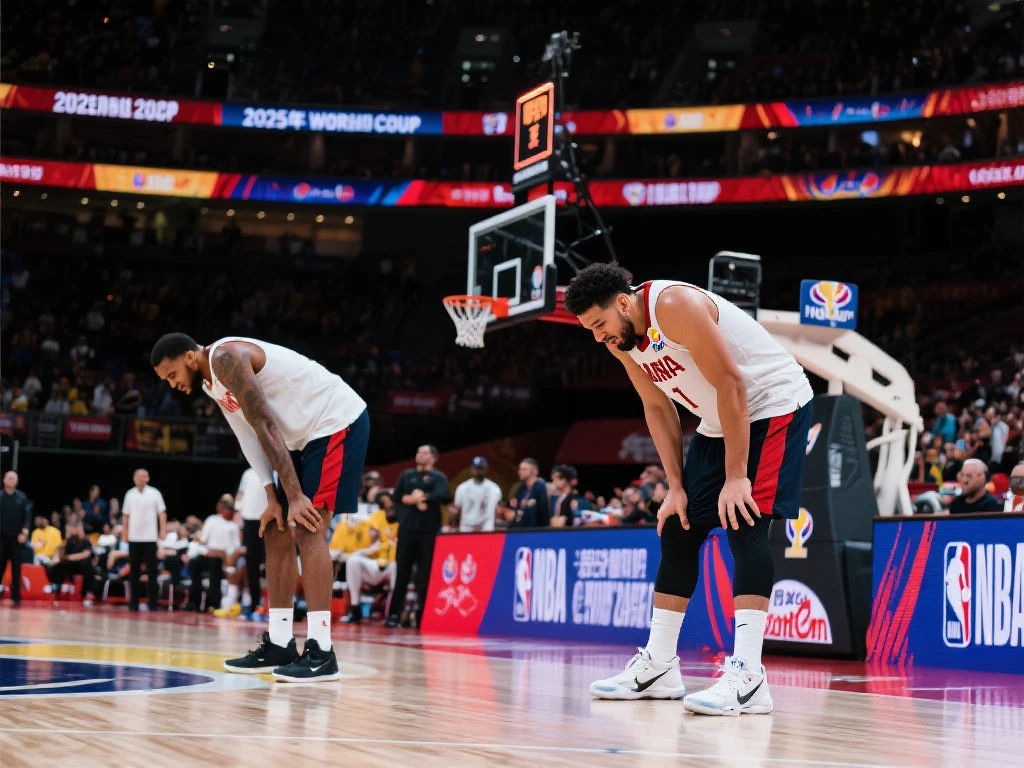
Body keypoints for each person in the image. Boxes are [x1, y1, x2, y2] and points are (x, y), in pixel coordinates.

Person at [565, 263, 813, 715]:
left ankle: (749, 677)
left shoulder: (673, 305)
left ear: (622, 302)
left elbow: (731, 382)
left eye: (599, 324)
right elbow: (657, 406)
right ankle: (660, 667)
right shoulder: (622, 340)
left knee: (744, 522)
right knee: (679, 529)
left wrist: (736, 477)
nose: (598, 337)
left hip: (773, 404)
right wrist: (675, 487)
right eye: (590, 331)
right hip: (721, 418)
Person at [151, 332, 369, 682]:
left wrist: (294, 496)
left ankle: (322, 652)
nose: (172, 384)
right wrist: (271, 495)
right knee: (275, 529)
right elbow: (247, 433)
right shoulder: (211, 383)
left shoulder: (225, 358)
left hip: (334, 420)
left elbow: (265, 423)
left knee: (308, 527)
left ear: (190, 357)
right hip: (299, 439)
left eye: (172, 374)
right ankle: (280, 642)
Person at [385, 444, 449, 629]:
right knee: (401, 574)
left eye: (424, 452)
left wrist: (421, 497)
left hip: (429, 532)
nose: (420, 455)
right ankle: (394, 615)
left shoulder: (438, 477)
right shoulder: (406, 475)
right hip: (407, 531)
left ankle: (422, 615)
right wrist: (409, 499)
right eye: (418, 452)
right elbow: (397, 497)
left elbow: (444, 496)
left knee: (425, 575)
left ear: (433, 457)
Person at [341, 492, 399, 624]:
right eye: (385, 502)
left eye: (390, 502)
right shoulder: (377, 516)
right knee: (353, 561)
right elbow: (372, 537)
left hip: (393, 564)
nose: (388, 505)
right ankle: (355, 609)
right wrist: (374, 539)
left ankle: (392, 614)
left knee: (395, 567)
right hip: (376, 562)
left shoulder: (403, 519)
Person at [122, 468, 167, 612]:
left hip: (150, 538)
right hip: (134, 538)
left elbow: (162, 513)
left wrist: (162, 530)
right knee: (134, 572)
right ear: (134, 478)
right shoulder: (130, 494)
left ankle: (153, 603)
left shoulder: (155, 493)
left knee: (151, 571)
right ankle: (133, 603)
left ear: (148, 478)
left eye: (144, 476)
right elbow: (126, 515)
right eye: (138, 476)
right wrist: (125, 533)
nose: (141, 478)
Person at [235, 465, 268, 615]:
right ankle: (254, 603)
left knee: (271, 563)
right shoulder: (247, 473)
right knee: (251, 564)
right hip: (249, 520)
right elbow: (240, 494)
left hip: (268, 519)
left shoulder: (272, 470)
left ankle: (274, 605)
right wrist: (238, 510)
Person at [0, 471, 33, 606]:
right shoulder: (0, 496)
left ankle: (15, 596)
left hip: (16, 537)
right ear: (4, 480)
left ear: (17, 481)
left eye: (14, 478)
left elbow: (27, 516)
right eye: (9, 478)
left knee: (16, 567)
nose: (11, 480)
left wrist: (25, 531)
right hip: (1, 536)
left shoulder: (22, 497)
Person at [451, 457, 501, 533]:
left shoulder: (494, 488)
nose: (478, 471)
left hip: (486, 528)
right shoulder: (462, 488)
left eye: (480, 469)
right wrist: (453, 525)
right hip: (467, 527)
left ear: (486, 470)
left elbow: (498, 509)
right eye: (475, 468)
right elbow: (457, 509)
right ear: (471, 470)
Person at [507, 458, 550, 528]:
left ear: (534, 471)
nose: (520, 472)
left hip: (536, 529)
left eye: (524, 469)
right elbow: (516, 508)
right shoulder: (521, 488)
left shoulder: (541, 486)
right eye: (520, 469)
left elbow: (542, 511)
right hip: (520, 527)